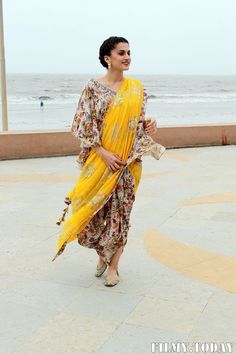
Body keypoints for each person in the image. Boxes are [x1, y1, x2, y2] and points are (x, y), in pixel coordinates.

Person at [52, 36, 165, 287]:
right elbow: (84, 124)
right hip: (100, 162)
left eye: (129, 52)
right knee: (91, 215)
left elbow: (137, 126)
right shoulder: (93, 88)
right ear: (107, 58)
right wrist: (103, 153)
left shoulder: (136, 88)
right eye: (121, 53)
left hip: (127, 162)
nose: (127, 57)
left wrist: (150, 127)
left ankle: (114, 266)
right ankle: (102, 252)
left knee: (121, 215)